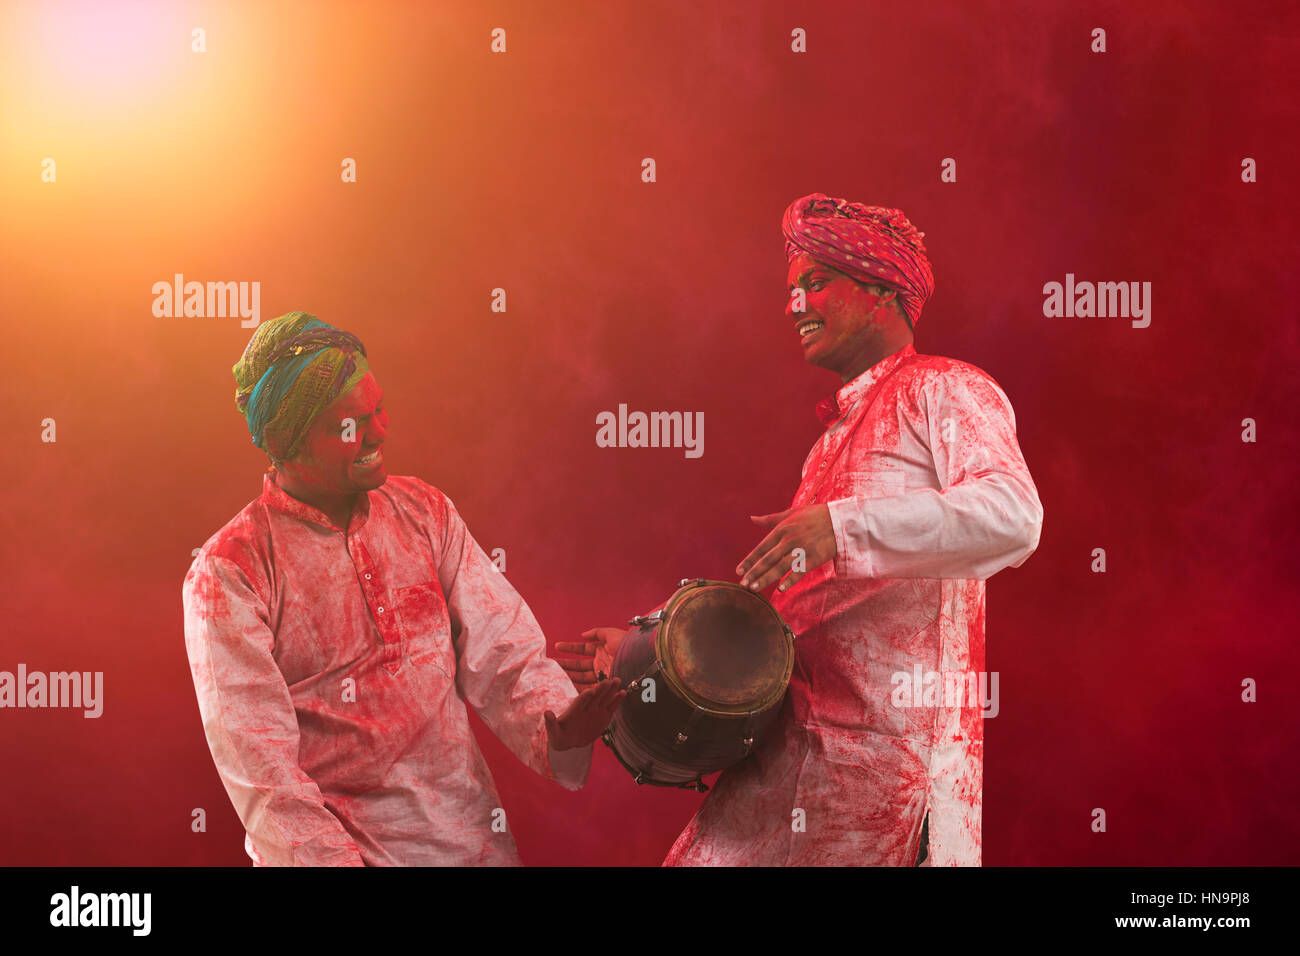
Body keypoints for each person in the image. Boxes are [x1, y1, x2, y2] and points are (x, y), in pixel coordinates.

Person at [562, 194, 1043, 866]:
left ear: (883, 292)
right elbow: (792, 628)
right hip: (786, 768)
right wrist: (648, 654)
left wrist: (838, 528)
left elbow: (1013, 516)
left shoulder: (945, 389)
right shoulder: (827, 448)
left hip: (879, 785)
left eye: (816, 283)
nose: (794, 307)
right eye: (791, 290)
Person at [182, 311, 624, 866]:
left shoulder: (423, 512)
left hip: (473, 848)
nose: (379, 432)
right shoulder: (231, 569)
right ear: (283, 440)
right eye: (350, 424)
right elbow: (262, 773)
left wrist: (559, 725)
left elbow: (505, 650)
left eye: (378, 409)